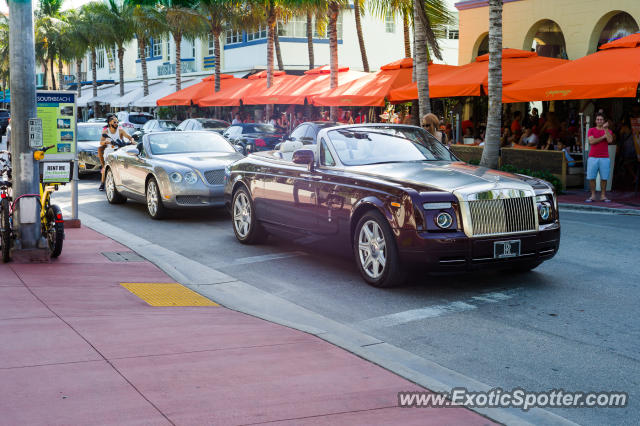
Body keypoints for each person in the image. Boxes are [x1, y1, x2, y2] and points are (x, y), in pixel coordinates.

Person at [98, 113, 135, 191]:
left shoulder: (120, 130)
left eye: (117, 122)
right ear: (109, 123)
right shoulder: (106, 131)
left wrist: (132, 140)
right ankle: (102, 183)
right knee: (106, 166)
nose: (116, 124)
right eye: (114, 122)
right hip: (109, 151)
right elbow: (101, 142)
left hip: (119, 150)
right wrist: (106, 142)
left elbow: (129, 137)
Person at [586, 112, 613, 202]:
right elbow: (591, 141)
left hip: (605, 157)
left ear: (604, 121)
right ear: (595, 121)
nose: (599, 121)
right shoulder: (591, 130)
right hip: (593, 157)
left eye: (601, 119)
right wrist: (602, 137)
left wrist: (605, 130)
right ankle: (593, 195)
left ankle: (603, 195)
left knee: (604, 178)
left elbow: (609, 140)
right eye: (598, 119)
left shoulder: (608, 131)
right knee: (591, 177)